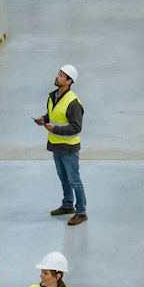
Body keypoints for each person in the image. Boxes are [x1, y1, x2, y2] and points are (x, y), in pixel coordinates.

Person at [34, 64, 86, 226]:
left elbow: (76, 127)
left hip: (69, 148)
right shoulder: (53, 96)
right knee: (63, 177)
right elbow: (52, 115)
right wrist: (44, 119)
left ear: (69, 81)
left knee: (74, 180)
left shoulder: (73, 103)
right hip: (56, 145)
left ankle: (81, 212)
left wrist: (55, 129)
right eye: (58, 74)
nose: (57, 77)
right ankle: (67, 205)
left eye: (61, 76)